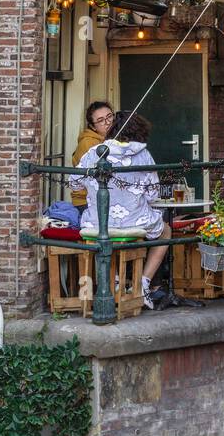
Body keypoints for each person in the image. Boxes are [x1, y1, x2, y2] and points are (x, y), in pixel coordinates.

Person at [71, 111, 169, 309]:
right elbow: (152, 194)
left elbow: (74, 183)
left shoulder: (94, 152)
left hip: (97, 223)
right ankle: (144, 282)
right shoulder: (144, 154)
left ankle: (114, 279)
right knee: (166, 231)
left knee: (103, 237)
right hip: (135, 221)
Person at [71, 101, 116, 207]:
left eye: (109, 116)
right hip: (87, 201)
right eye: (101, 120)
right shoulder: (88, 142)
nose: (108, 122)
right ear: (93, 127)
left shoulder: (113, 138)